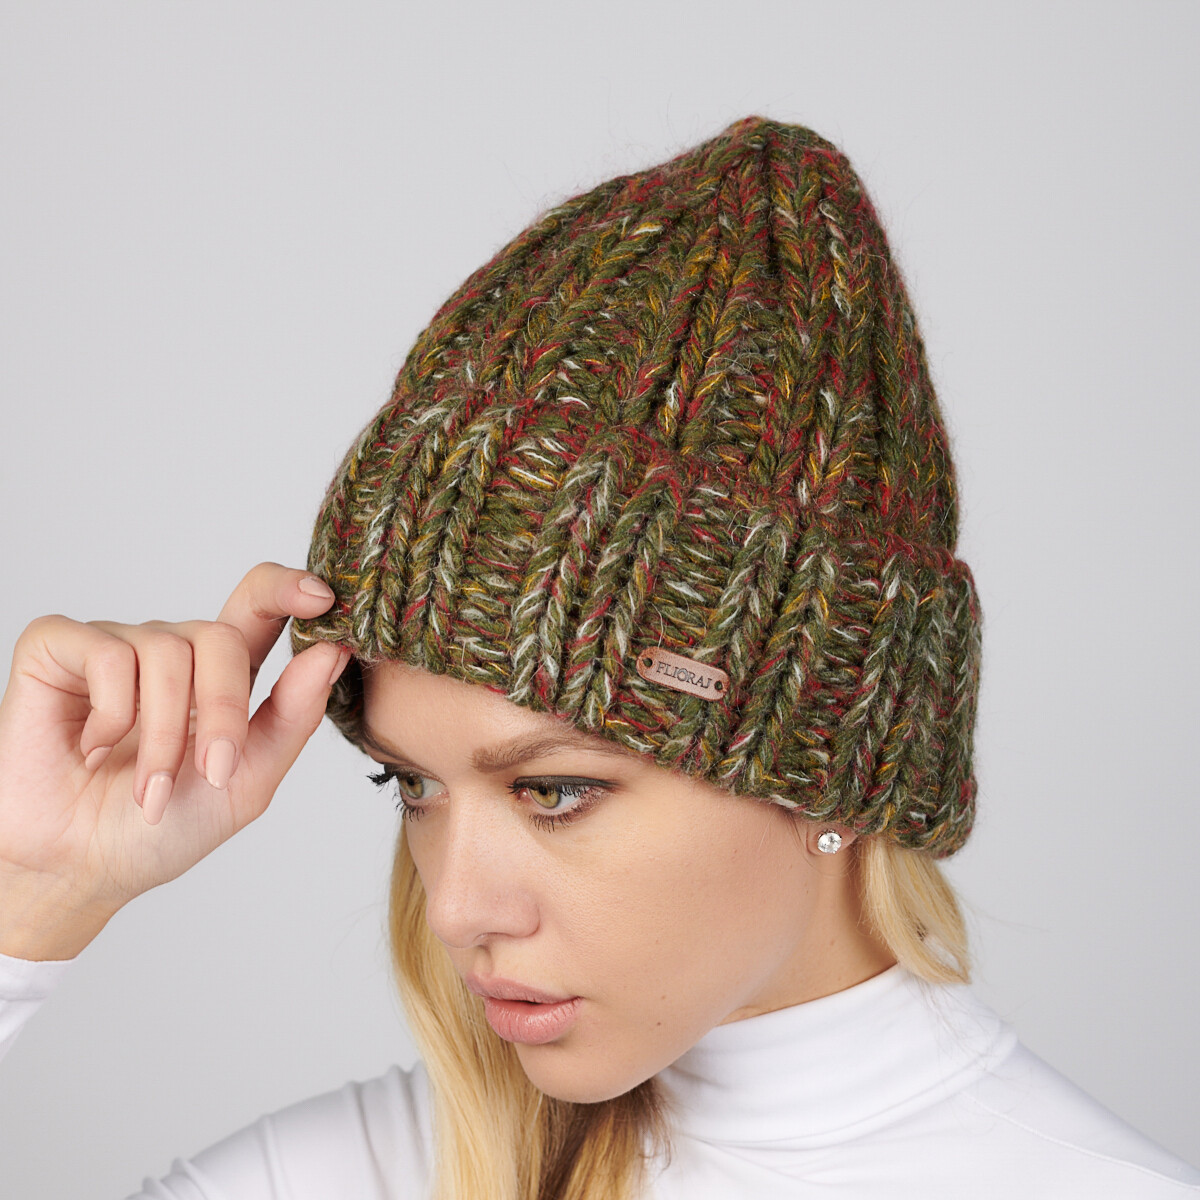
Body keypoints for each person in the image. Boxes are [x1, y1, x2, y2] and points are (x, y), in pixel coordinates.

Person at [1, 114, 1196, 1199]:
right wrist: (36, 896)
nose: (456, 907)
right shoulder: (338, 1179)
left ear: (833, 776)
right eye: (410, 784)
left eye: (554, 790)